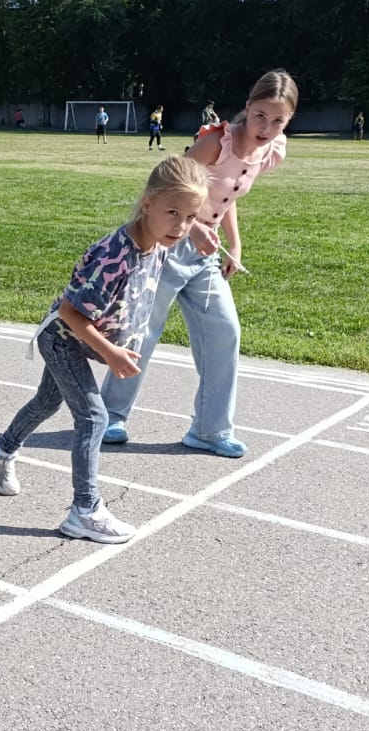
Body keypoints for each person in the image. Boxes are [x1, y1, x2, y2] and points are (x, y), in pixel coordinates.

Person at [0, 156, 209, 542]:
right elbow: (70, 313)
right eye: (174, 213)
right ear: (147, 203)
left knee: (46, 403)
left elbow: (181, 220)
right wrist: (112, 353)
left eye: (190, 216)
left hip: (81, 342)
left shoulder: (161, 237)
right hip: (65, 337)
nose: (181, 226)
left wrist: (196, 229)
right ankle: (85, 510)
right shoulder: (113, 255)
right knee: (94, 417)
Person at [101, 68, 298, 460]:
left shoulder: (271, 151)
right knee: (144, 328)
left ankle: (210, 430)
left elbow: (228, 196)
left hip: (206, 254)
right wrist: (191, 230)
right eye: (261, 115)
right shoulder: (215, 142)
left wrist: (236, 246)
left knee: (225, 332)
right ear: (248, 107)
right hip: (166, 243)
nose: (267, 127)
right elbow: (171, 188)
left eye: (278, 120)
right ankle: (108, 415)